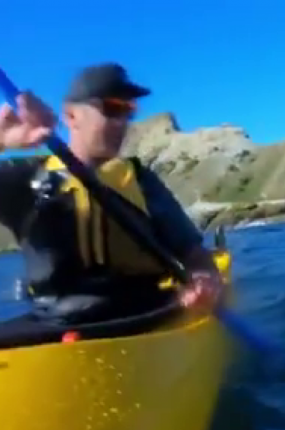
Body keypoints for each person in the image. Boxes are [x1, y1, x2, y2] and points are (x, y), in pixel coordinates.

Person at [0, 62, 222, 335]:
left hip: (148, 314)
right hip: (55, 325)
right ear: (70, 116)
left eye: (128, 112)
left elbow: (193, 252)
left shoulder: (140, 180)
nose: (122, 123)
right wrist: (2, 140)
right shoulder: (25, 179)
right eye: (113, 108)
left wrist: (203, 277)